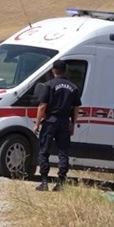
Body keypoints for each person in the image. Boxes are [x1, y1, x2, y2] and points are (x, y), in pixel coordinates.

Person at [33, 60, 82, 191]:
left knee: (44, 151)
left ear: (53, 70)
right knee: (63, 152)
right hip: (65, 122)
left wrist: (37, 124)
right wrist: (73, 123)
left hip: (50, 121)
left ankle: (44, 182)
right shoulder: (73, 87)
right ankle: (60, 182)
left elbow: (42, 106)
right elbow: (76, 107)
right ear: (65, 70)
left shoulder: (49, 85)